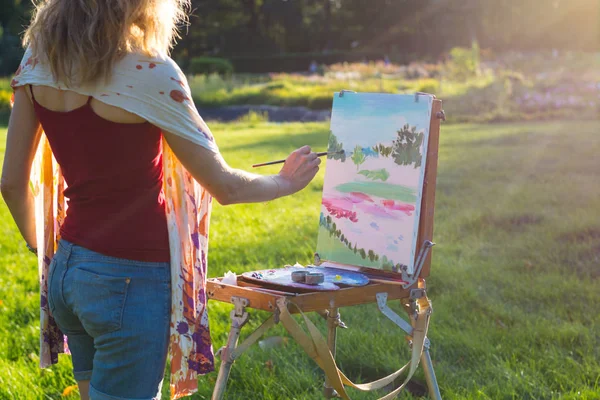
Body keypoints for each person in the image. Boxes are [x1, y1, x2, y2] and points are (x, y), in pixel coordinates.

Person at [0, 0, 320, 399]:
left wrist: (41, 249)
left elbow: (11, 183)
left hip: (67, 271)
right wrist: (285, 182)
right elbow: (225, 186)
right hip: (130, 281)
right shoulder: (152, 74)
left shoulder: (38, 65)